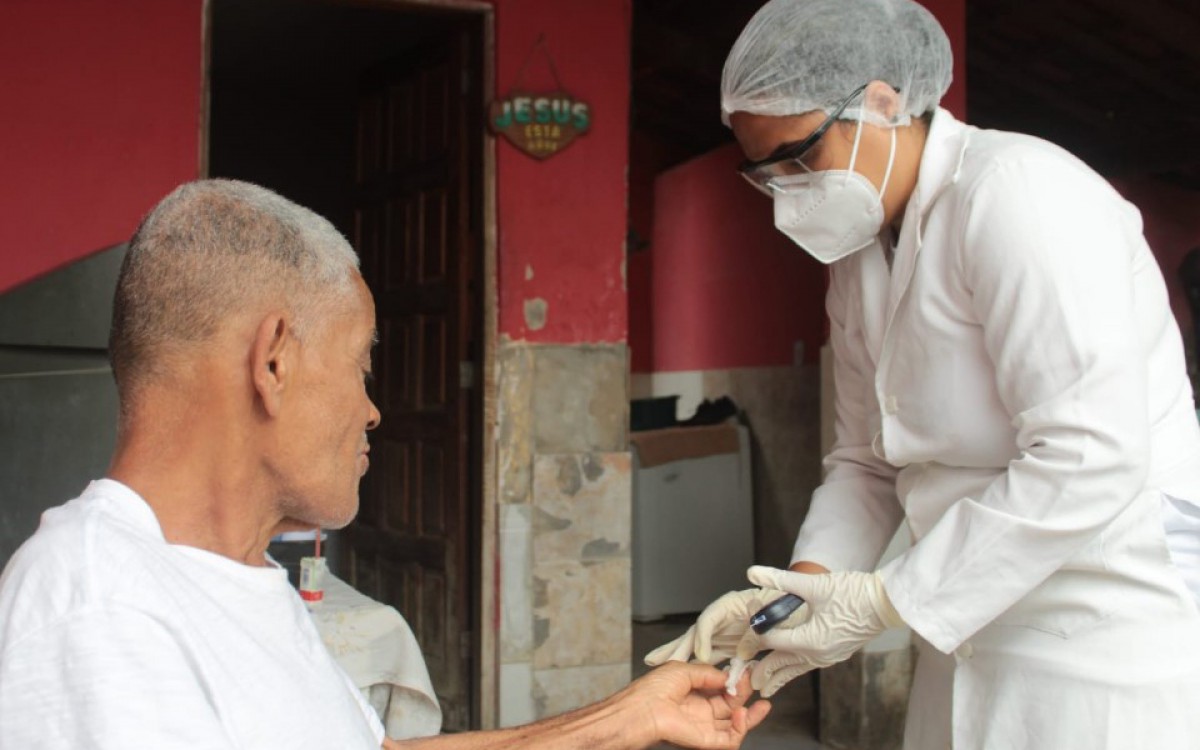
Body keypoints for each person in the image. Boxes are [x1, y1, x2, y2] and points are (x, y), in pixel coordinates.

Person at [0, 179, 771, 749]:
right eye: (360, 366)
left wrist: (626, 718)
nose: (372, 411)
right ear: (274, 362)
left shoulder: (237, 581)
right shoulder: (97, 614)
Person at [646, 0, 1200, 748]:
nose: (786, 190)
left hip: (1103, 624)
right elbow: (866, 461)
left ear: (883, 102)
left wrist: (884, 600)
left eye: (800, 155)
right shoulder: (859, 251)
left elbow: (1092, 451)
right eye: (764, 171)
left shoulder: (1020, 194)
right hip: (966, 623)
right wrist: (797, 596)